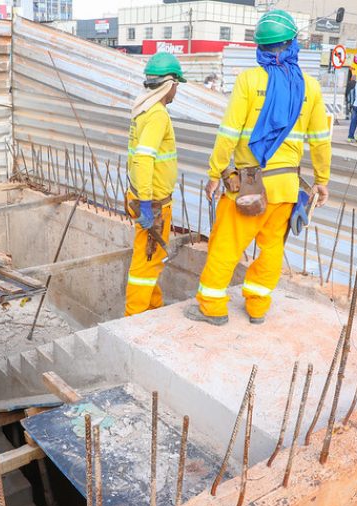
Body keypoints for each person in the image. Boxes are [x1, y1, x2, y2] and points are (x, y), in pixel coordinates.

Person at [186, 9, 331, 326]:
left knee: (226, 246)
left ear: (260, 47)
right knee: (271, 249)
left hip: (249, 185)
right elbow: (320, 140)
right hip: (286, 189)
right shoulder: (310, 88)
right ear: (293, 44)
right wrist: (321, 180)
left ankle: (212, 307)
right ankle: (257, 307)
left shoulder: (249, 80)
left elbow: (229, 132)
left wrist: (216, 172)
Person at [124, 52, 186, 316]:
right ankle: (134, 317)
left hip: (142, 197)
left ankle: (153, 307)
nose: (177, 91)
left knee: (153, 258)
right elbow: (144, 158)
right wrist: (148, 204)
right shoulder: (157, 114)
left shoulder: (143, 109)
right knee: (145, 262)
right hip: (154, 203)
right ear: (169, 84)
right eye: (177, 85)